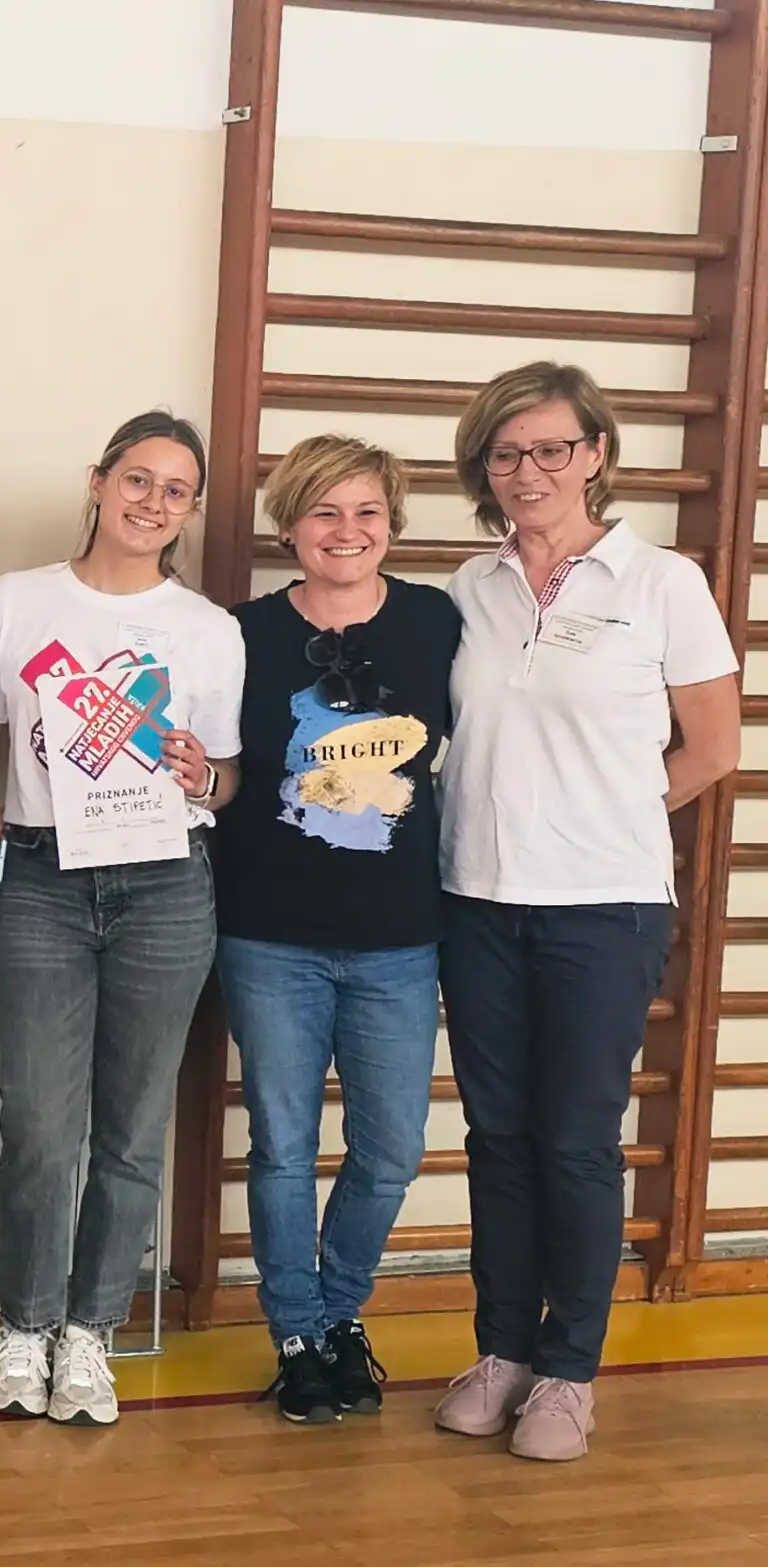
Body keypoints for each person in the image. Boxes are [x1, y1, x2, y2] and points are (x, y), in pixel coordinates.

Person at [429, 363, 739, 1462]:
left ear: (596, 453)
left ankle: (568, 1371)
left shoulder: (662, 582)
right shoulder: (468, 588)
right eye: (506, 453)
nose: (529, 471)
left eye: (552, 449)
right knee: (498, 1139)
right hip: (476, 900)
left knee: (573, 1141)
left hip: (603, 909)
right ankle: (502, 1351)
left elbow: (713, 746)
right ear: (484, 468)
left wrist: (603, 811)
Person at [0, 410, 243, 1427]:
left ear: (189, 510)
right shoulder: (17, 599)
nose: (151, 502)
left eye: (175, 491)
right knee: (38, 1121)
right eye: (136, 479)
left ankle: (89, 1331)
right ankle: (23, 1326)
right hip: (44, 878)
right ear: (97, 481)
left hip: (165, 883)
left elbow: (225, 777)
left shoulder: (207, 629)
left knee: (130, 1126)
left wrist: (202, 774)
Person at [212, 436, 458, 1424]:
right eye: (323, 510)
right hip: (269, 934)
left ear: (391, 524)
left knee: (391, 1148)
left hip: (399, 938)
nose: (345, 530)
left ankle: (339, 1310)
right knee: (281, 1146)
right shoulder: (240, 634)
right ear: (289, 526)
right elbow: (219, 769)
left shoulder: (438, 622)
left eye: (365, 512)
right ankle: (298, 1334)